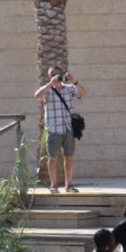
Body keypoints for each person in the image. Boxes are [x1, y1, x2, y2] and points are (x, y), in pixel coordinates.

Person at [33, 66, 86, 194]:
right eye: (53, 74)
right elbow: (37, 96)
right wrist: (50, 84)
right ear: (50, 76)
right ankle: (54, 185)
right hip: (53, 128)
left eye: (58, 74)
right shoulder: (47, 90)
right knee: (52, 158)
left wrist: (74, 81)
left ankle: (69, 185)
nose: (57, 76)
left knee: (68, 157)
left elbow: (83, 93)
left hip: (68, 127)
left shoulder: (69, 89)